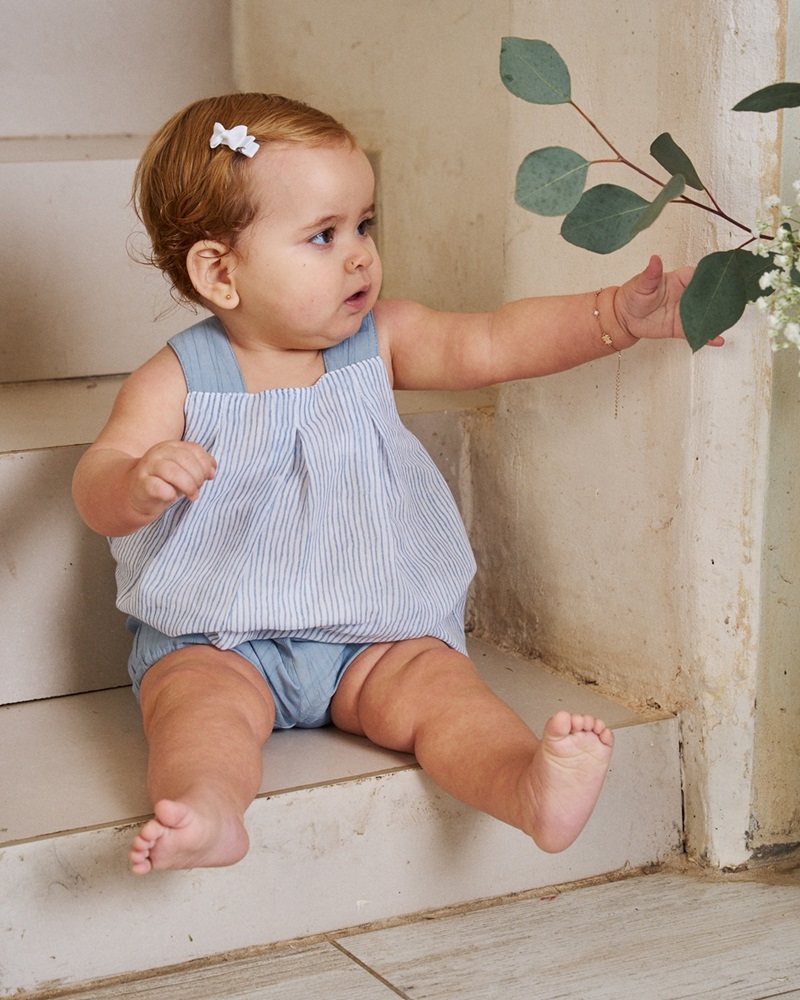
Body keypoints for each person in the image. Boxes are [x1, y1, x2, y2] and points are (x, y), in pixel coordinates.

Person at [72, 93, 719, 876]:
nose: (359, 256)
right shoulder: (179, 377)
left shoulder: (379, 342)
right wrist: (138, 482)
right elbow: (98, 484)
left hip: (378, 633)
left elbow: (493, 341)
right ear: (219, 270)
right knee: (195, 713)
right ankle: (210, 812)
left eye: (363, 226)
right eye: (323, 235)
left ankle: (526, 787)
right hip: (221, 636)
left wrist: (615, 314)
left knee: (447, 696)